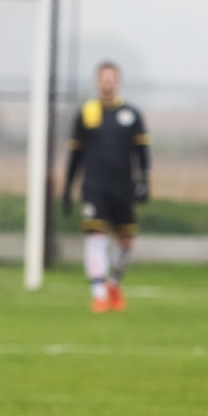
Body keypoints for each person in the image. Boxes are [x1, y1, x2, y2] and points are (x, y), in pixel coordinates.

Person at [60, 61, 150, 313]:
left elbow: (142, 152)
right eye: (103, 78)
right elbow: (75, 155)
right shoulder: (87, 113)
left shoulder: (131, 114)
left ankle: (114, 283)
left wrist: (144, 182)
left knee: (126, 243)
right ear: (96, 81)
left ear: (118, 81)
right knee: (96, 237)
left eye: (112, 78)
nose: (107, 82)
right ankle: (98, 294)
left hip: (123, 187)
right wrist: (68, 189)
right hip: (94, 186)